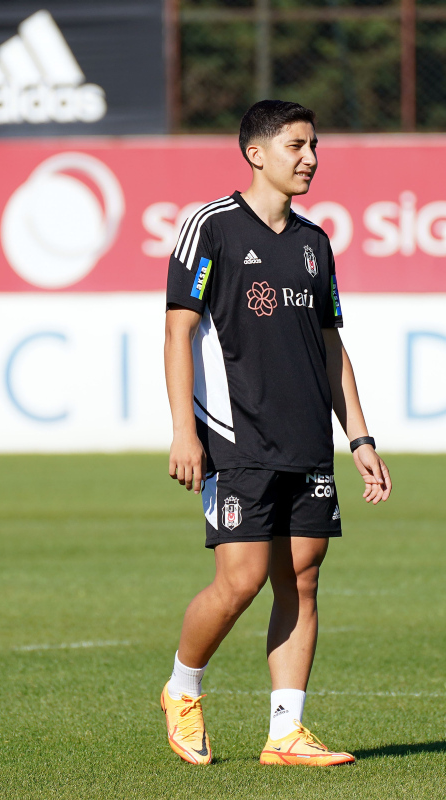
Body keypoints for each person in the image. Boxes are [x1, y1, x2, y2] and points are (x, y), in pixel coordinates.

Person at [162, 99, 391, 767]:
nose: (311, 157)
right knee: (240, 579)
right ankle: (182, 690)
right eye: (296, 145)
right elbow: (177, 331)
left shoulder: (315, 243)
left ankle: (285, 732)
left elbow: (329, 347)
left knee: (303, 577)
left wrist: (360, 437)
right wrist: (184, 431)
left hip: (306, 440)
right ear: (255, 153)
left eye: (314, 145)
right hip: (234, 436)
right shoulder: (209, 227)